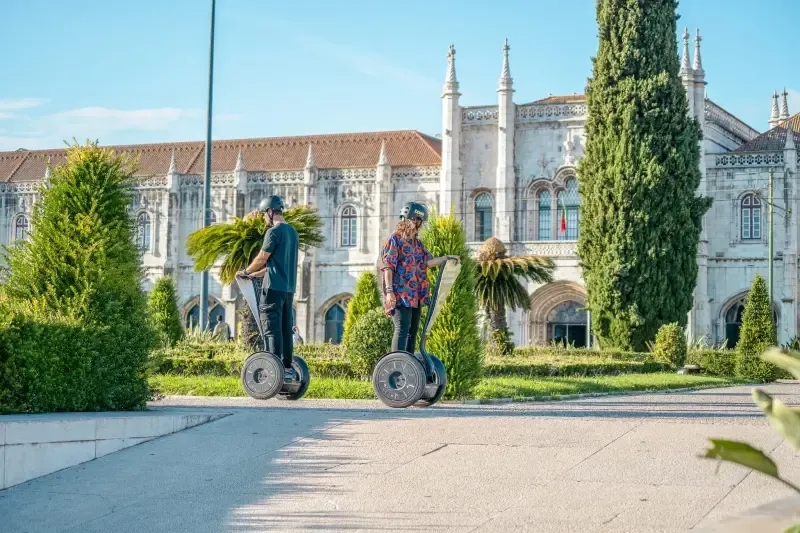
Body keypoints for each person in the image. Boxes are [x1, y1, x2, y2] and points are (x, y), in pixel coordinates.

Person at [380, 202, 459, 354]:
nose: (417, 223)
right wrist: (389, 292)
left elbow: (428, 262)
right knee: (402, 329)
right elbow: (388, 266)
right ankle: (397, 362)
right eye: (415, 219)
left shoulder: (417, 244)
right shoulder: (395, 240)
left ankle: (409, 362)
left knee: (413, 330)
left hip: (415, 295)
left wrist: (447, 258)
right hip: (400, 294)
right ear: (406, 219)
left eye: (419, 220)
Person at [237, 195, 299, 381]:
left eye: (265, 214)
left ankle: (273, 370)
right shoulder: (293, 232)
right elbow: (277, 264)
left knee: (271, 329)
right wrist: (257, 274)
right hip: (288, 289)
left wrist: (246, 271)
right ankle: (287, 368)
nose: (264, 218)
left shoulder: (273, 232)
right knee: (286, 328)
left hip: (272, 289)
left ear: (270, 212)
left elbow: (262, 257)